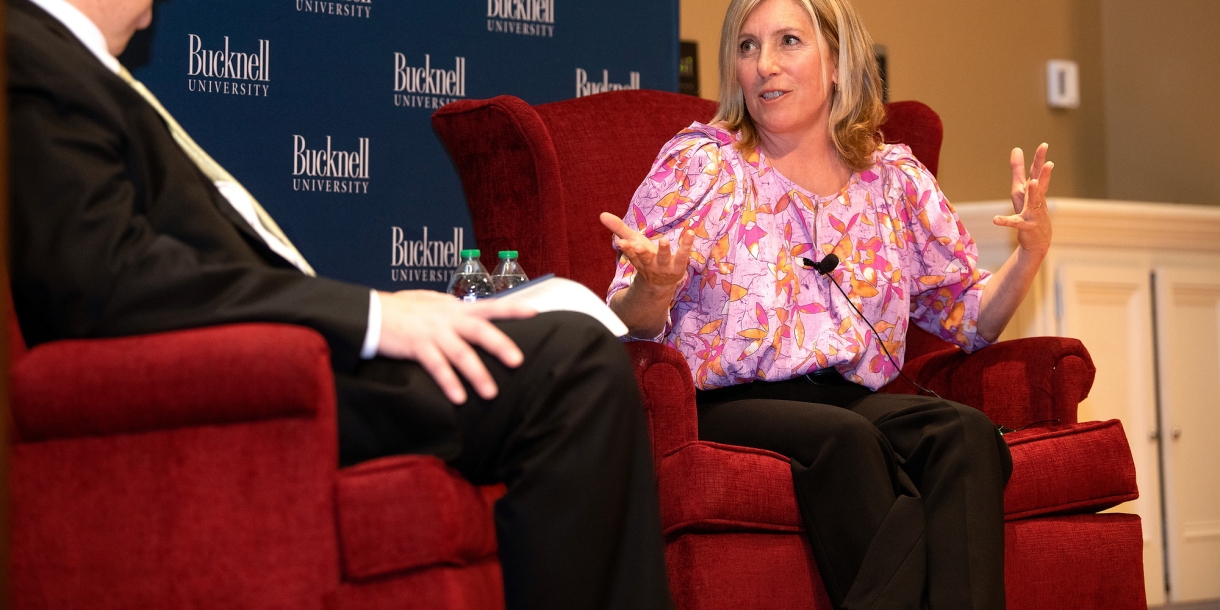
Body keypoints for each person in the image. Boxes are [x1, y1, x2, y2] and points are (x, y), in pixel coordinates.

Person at [6, 0, 673, 608]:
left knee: (559, 340)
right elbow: (103, 279)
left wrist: (380, 309)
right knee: (571, 365)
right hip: (258, 377)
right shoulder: (28, 53)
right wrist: (376, 320)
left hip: (288, 359)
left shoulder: (82, 71)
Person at [599, 0, 1053, 608]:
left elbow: (969, 320)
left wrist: (1028, 256)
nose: (764, 65)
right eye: (747, 46)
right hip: (730, 401)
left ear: (837, 63)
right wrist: (653, 287)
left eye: (788, 41)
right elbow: (624, 320)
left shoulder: (892, 179)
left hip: (848, 397)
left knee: (964, 434)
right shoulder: (703, 166)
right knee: (846, 441)